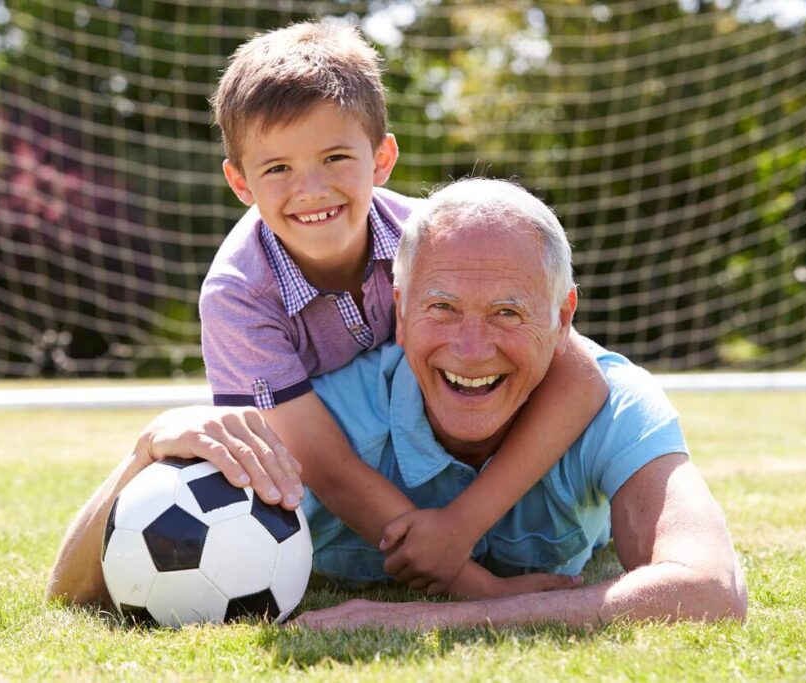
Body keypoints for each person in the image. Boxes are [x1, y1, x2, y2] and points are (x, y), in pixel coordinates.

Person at [47, 178, 747, 629]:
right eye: (442, 307)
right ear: (400, 310)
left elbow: (711, 589)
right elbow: (71, 593)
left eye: (508, 312)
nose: (472, 349)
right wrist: (147, 449)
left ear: (564, 315)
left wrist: (422, 619)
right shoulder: (332, 420)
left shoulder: (616, 404)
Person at [192, 19, 608, 596]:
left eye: (335, 157)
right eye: (277, 168)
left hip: (447, 463)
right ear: (240, 183)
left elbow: (579, 372)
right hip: (339, 486)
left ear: (382, 158)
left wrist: (463, 525)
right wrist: (472, 585)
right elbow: (324, 465)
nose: (311, 189)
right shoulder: (238, 295)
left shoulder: (436, 240)